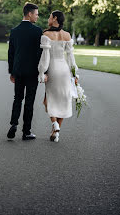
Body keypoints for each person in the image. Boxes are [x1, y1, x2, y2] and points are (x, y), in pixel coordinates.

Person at [38, 10, 78, 142]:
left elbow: (45, 57)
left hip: (53, 69)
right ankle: (56, 132)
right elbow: (71, 58)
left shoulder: (46, 35)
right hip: (65, 69)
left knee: (48, 100)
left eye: (50, 16)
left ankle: (54, 125)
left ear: (55, 18)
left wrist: (42, 72)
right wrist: (74, 74)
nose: (48, 19)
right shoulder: (67, 35)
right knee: (62, 100)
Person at [7, 3, 42, 140]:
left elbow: (11, 53)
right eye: (36, 14)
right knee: (29, 102)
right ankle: (26, 131)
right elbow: (41, 54)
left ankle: (14, 124)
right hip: (32, 72)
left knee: (17, 98)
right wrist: (43, 71)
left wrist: (12, 72)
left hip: (19, 72)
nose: (37, 17)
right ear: (29, 14)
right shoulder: (37, 31)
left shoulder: (14, 31)